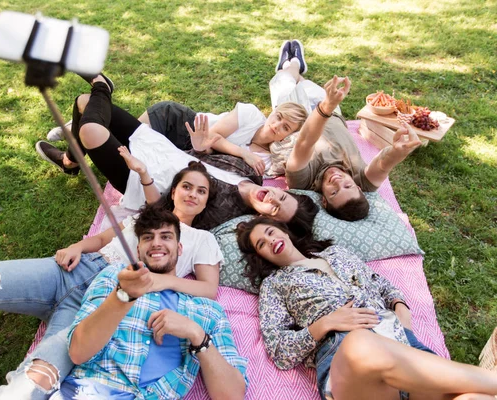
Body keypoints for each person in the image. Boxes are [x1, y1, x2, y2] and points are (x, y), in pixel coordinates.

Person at [0, 165, 223, 400]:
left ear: (207, 202)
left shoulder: (201, 239)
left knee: (32, 384)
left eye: (201, 191)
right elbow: (100, 238)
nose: (193, 194)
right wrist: (77, 246)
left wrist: (156, 280)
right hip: (75, 269)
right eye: (187, 186)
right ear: (175, 189)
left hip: (104, 300)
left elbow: (208, 288)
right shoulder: (147, 217)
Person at [236, 216, 497, 400]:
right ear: (262, 257)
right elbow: (280, 350)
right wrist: (325, 323)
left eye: (270, 232)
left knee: (474, 397)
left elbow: (380, 283)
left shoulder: (337, 253)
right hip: (349, 361)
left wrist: (400, 309)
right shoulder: (275, 285)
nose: (270, 241)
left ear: (283, 230)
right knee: (359, 343)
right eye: (261, 244)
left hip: (402, 346)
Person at [35, 74, 319, 233]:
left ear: (269, 219)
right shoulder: (251, 173)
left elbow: (168, 214)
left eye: (275, 208)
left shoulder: (225, 213)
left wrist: (144, 176)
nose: (273, 197)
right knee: (85, 103)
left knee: (92, 130)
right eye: (281, 197)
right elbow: (203, 156)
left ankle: (103, 87)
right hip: (163, 149)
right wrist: (197, 146)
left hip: (142, 177)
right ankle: (72, 159)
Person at [50, 205, 247, 399]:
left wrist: (196, 334)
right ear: (138, 250)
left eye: (166, 236)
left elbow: (232, 395)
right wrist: (124, 296)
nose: (156, 243)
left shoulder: (208, 311)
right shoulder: (115, 277)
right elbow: (78, 352)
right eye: (147, 237)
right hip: (90, 391)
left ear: (179, 248)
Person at [281, 46, 422, 222]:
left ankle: (290, 64)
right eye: (347, 185)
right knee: (305, 84)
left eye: (334, 192)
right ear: (358, 188)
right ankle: (297, 70)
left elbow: (305, 142)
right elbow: (383, 165)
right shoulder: (362, 180)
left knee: (284, 79)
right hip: (332, 111)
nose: (337, 180)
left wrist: (327, 106)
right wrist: (397, 151)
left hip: (294, 116)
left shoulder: (302, 182)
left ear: (323, 201)